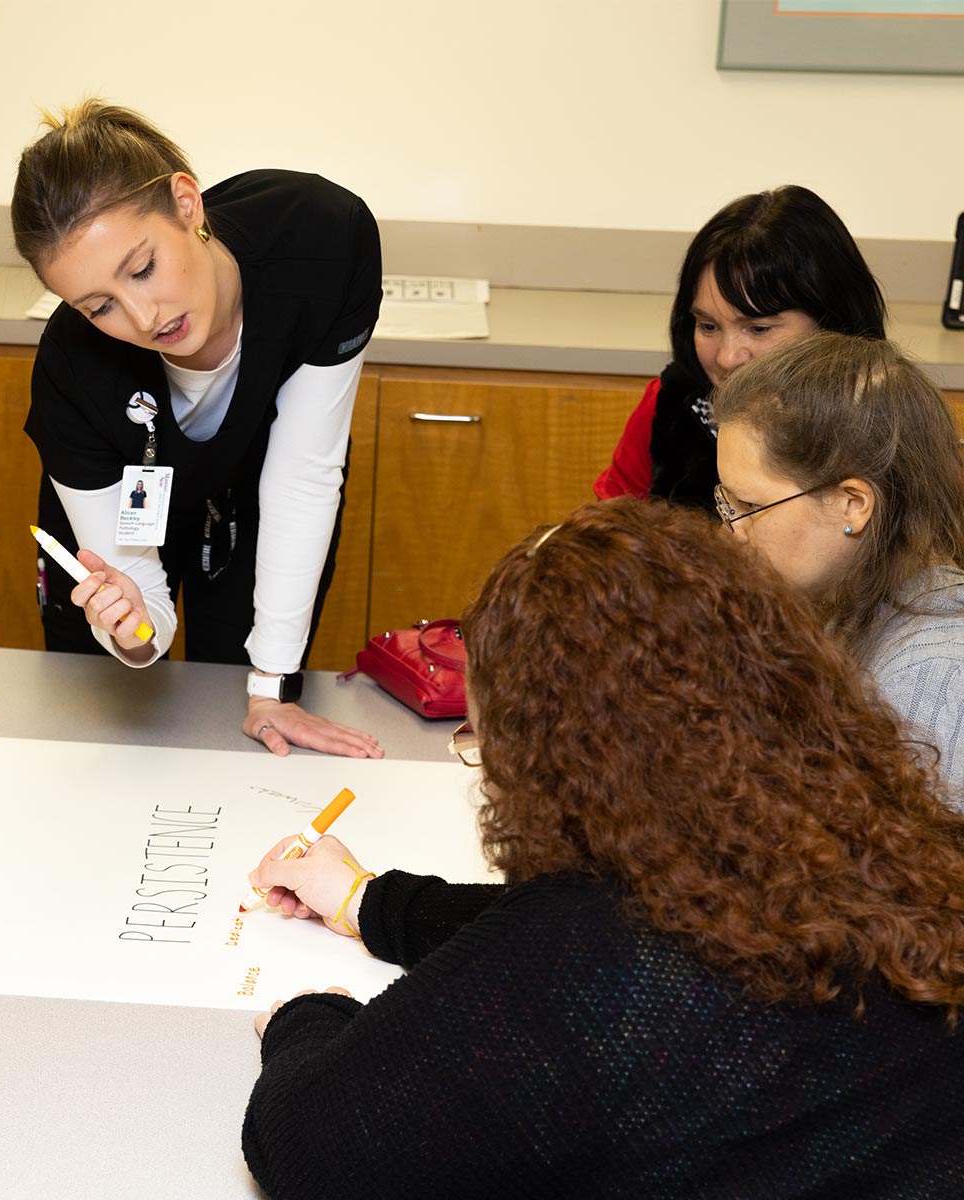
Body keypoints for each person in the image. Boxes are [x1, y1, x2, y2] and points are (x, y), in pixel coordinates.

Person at [240, 500, 964, 1200]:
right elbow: (550, 936)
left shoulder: (597, 969)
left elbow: (310, 1149)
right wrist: (369, 901)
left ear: (553, 758)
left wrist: (307, 1017)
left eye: (485, 742)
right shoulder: (873, 847)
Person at [11, 100, 383, 759]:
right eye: (99, 306)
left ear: (186, 204)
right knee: (103, 734)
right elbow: (141, 611)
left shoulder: (321, 243)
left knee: (244, 713)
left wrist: (269, 688)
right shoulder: (76, 366)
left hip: (263, 487)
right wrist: (132, 630)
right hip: (130, 491)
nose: (143, 315)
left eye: (143, 268)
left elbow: (304, 472)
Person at [712, 331, 964, 798]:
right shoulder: (842, 605)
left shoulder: (932, 676)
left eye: (747, 504)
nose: (732, 532)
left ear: (853, 504)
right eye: (724, 502)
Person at [595, 186, 886, 512]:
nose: (727, 358)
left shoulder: (884, 425)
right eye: (708, 327)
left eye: (758, 329)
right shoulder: (670, 404)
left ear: (832, 323)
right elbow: (610, 534)